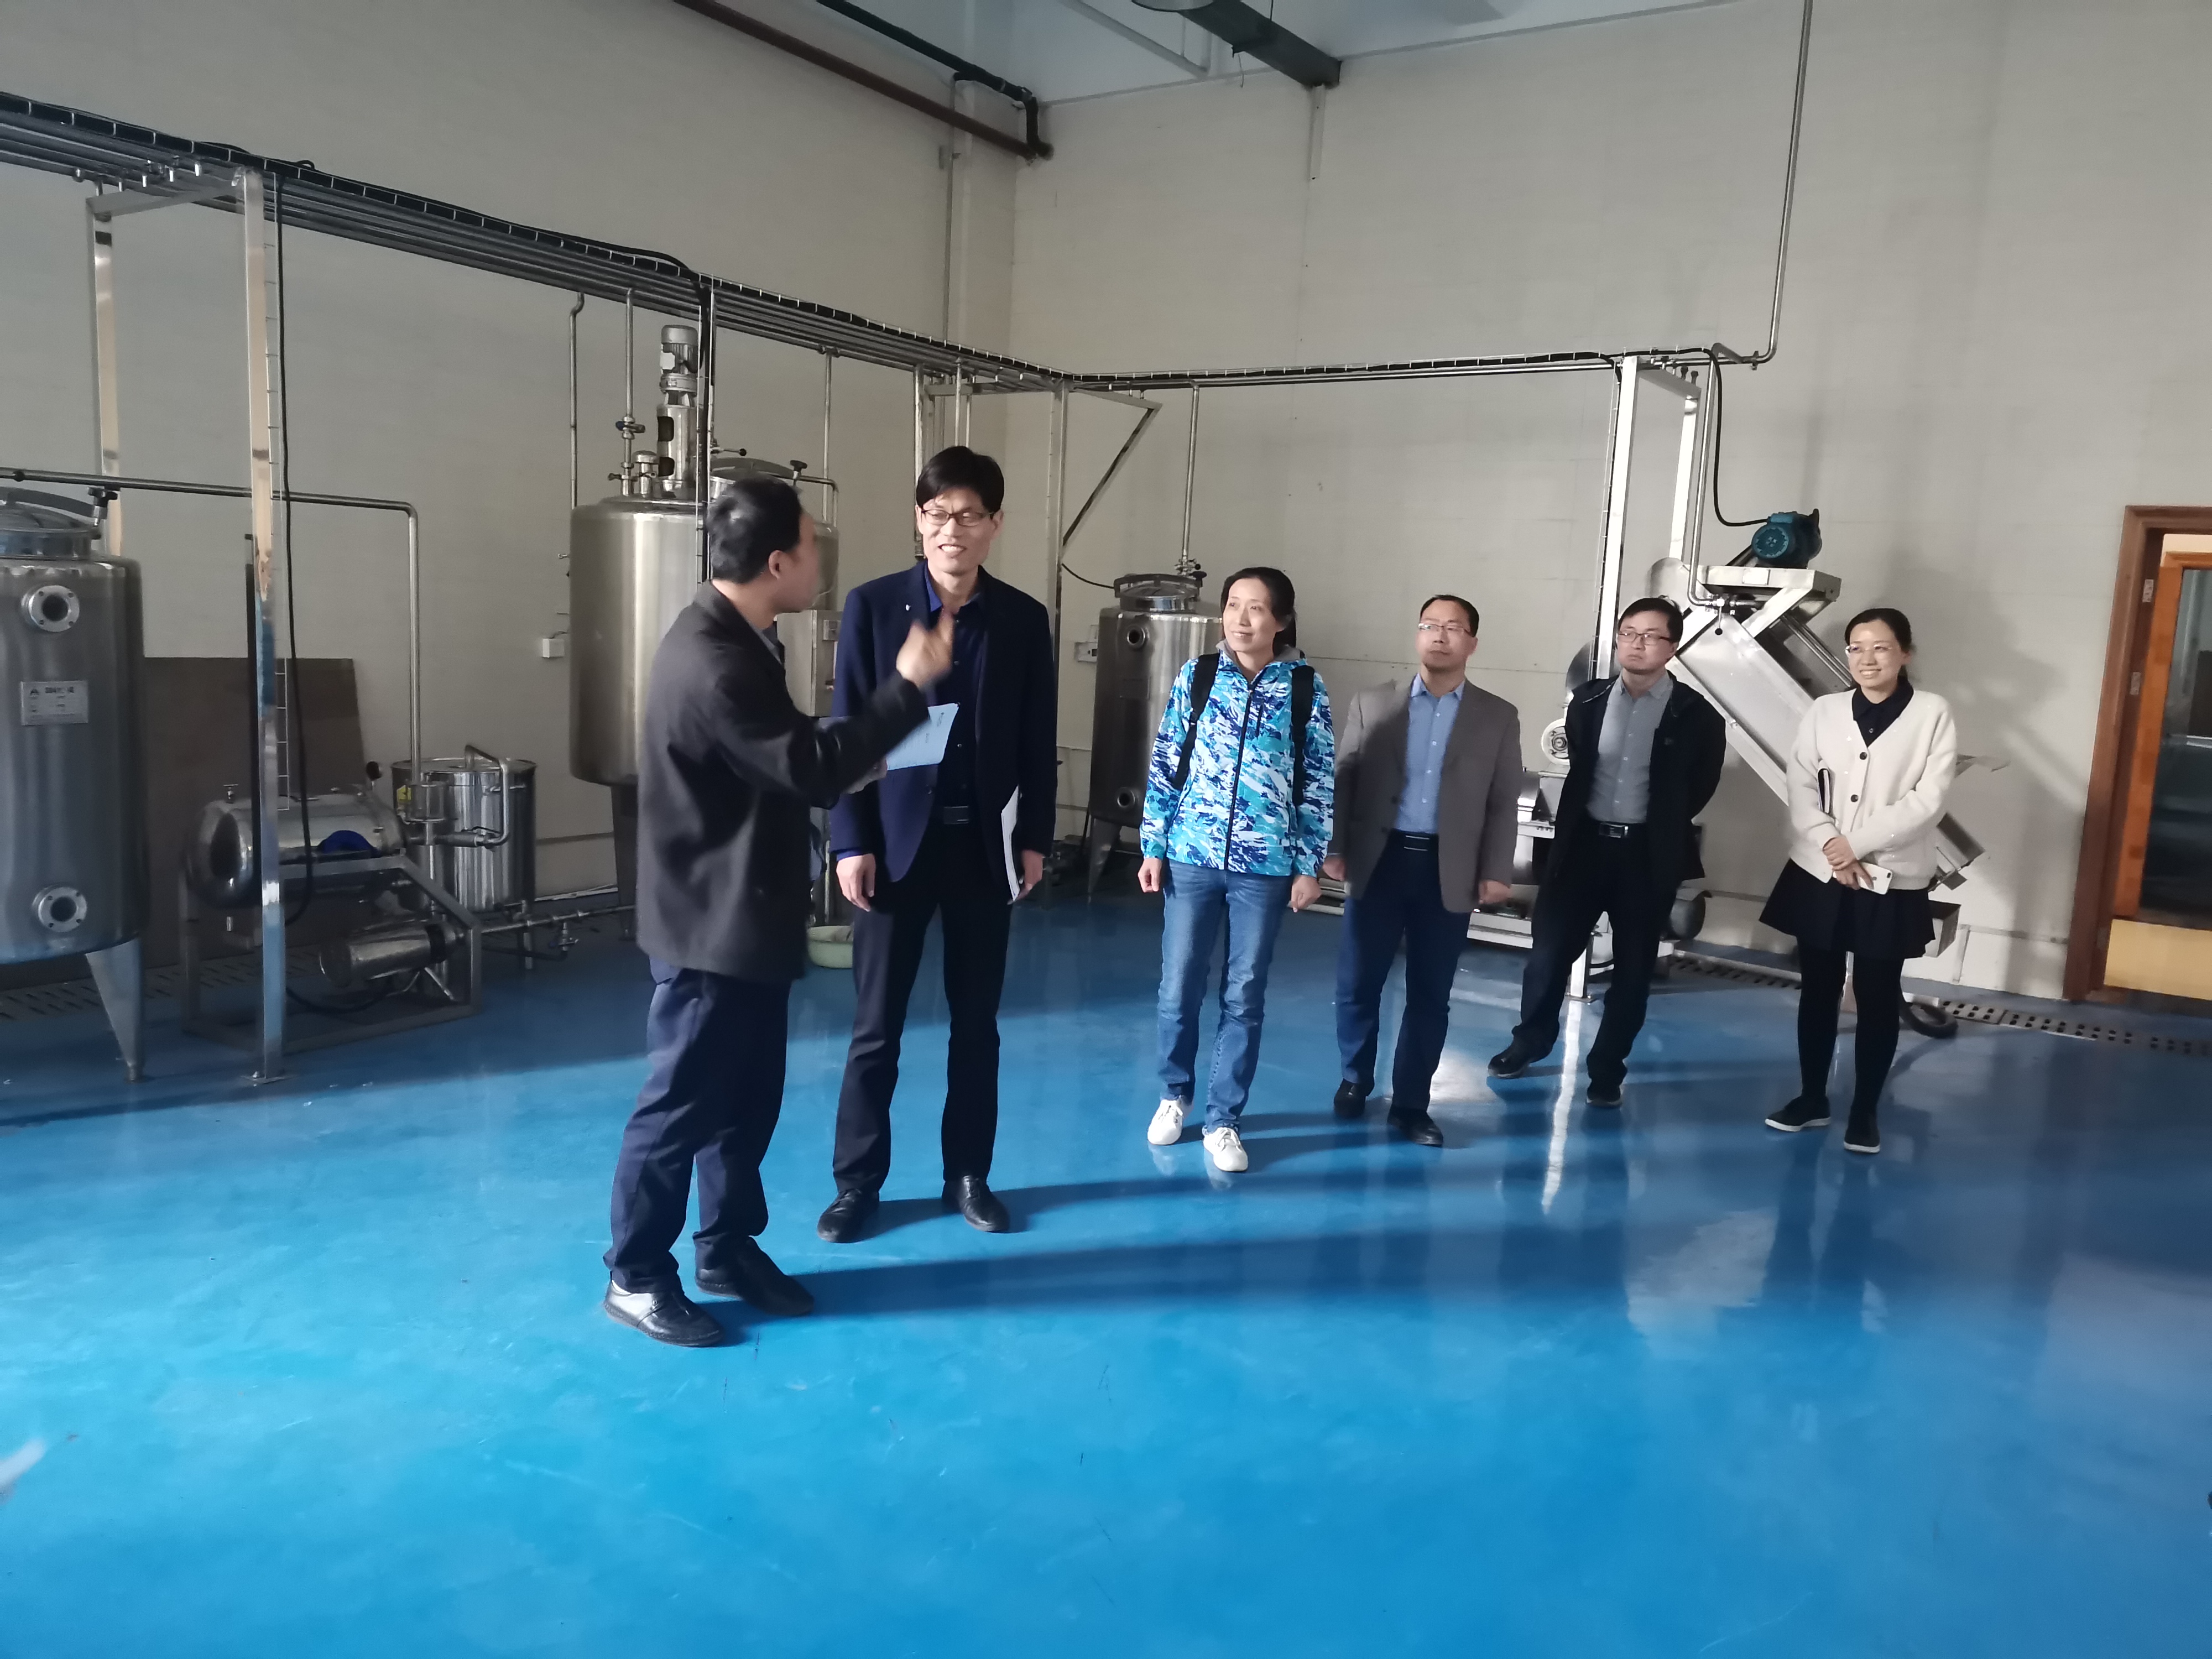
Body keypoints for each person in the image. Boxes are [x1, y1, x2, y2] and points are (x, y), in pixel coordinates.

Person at [603, 478, 952, 1348]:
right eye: (809, 542)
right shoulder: (714, 660)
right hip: (708, 928)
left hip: (745, 917)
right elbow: (804, 765)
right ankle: (636, 1276)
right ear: (775, 562)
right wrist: (905, 687)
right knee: (680, 1106)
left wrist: (848, 759)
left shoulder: (742, 638)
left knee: (744, 1100)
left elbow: (780, 754)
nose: (818, 558)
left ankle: (726, 1248)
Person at [817, 447, 1058, 1243]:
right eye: (937, 514)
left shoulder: (1022, 619)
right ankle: (857, 1186)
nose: (952, 529)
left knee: (976, 1025)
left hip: (982, 847)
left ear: (995, 525)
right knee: (875, 1029)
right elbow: (848, 728)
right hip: (893, 846)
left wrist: (1035, 838)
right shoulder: (873, 607)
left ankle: (969, 1176)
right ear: (920, 522)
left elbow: (1037, 737)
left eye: (968, 515)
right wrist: (849, 840)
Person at [1489, 597, 1725, 1105]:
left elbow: (1700, 785)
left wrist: (1657, 822)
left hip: (1646, 857)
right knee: (1547, 956)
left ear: (1673, 646)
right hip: (1582, 850)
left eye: (1651, 636)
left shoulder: (1696, 714)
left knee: (1634, 969)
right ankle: (1529, 1042)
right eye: (1628, 633)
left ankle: (1607, 1067)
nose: (1637, 644)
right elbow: (1580, 763)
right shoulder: (1589, 701)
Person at [1139, 567, 1334, 1174]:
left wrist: (1308, 864)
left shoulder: (1305, 688)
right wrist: (1153, 844)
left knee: (1244, 994)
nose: (1240, 619)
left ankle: (1223, 1120)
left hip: (1265, 866)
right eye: (1232, 605)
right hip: (1191, 857)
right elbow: (1167, 761)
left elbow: (1317, 782)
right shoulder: (1197, 676)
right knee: (1178, 986)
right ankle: (1174, 1095)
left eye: (1256, 608)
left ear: (1281, 620)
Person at [1324, 594, 1524, 1146]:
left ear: (1472, 643)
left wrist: (1496, 869)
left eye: (1453, 628)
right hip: (1379, 861)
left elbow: (1502, 802)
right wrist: (1334, 847)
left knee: (1430, 993)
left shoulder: (1497, 716)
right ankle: (1354, 1078)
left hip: (1448, 867)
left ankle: (1412, 1105)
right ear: (1417, 636)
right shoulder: (1373, 702)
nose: (1440, 635)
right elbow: (1345, 778)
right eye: (1429, 625)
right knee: (1358, 982)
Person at [1761, 607, 1957, 1155]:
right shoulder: (1824, 710)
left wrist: (1857, 844)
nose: (1866, 659)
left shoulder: (1933, 713)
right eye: (1856, 648)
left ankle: (1865, 1111)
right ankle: (1811, 1098)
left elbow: (1928, 798)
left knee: (1876, 995)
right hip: (1819, 869)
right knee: (1818, 990)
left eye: (1880, 647)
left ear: (1905, 654)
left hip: (1888, 876)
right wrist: (1831, 843)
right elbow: (1800, 781)